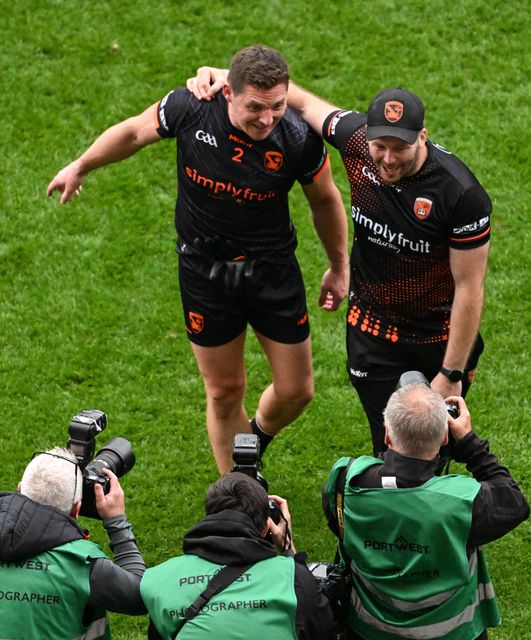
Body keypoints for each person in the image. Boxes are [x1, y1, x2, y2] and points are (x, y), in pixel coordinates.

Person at [47, 45, 349, 474]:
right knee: (225, 392)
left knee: (296, 391)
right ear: (229, 93)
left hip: (271, 273)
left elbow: (325, 200)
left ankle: (253, 439)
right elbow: (134, 133)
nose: (266, 119)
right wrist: (82, 165)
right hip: (204, 273)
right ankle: (240, 493)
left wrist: (339, 267)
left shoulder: (297, 138)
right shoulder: (192, 108)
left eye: (277, 106)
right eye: (255, 108)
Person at [188, 70, 491, 456]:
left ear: (423, 137)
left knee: (435, 450)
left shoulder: (461, 194)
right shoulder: (354, 139)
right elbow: (301, 101)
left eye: (400, 147)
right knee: (389, 444)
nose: (387, 158)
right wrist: (227, 75)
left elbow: (470, 286)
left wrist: (451, 374)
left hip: (437, 336)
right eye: (380, 145)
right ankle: (261, 445)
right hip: (373, 330)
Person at [322, 383, 529, 640]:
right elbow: (513, 502)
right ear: (444, 437)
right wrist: (469, 443)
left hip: (366, 629)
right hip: (454, 633)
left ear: (387, 434)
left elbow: (337, 523)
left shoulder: (345, 479)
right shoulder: (463, 502)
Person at [140, 471, 333, 639]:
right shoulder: (294, 579)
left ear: (209, 517)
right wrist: (288, 547)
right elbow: (321, 630)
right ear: (267, 527)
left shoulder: (160, 580)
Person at [0, 447, 147, 639]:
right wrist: (117, 522)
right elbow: (140, 596)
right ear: (77, 508)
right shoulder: (83, 564)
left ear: (20, 489)